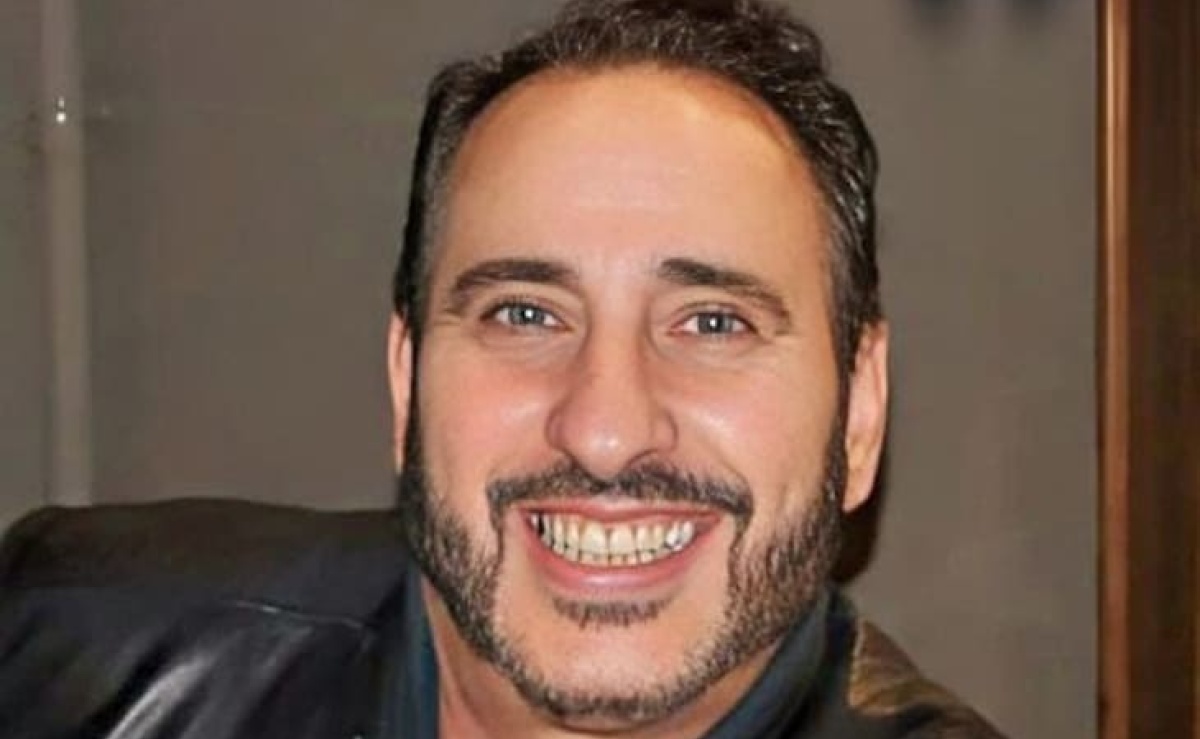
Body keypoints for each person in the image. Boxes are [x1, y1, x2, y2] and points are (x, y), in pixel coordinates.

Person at [0, 1, 1005, 737]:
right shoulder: (67, 650)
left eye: (711, 322)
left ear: (860, 411)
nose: (605, 429)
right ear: (407, 384)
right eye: (525, 313)